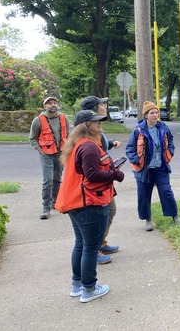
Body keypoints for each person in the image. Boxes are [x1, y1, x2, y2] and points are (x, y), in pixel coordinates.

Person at [54, 110, 125, 303]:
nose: (100, 124)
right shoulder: (89, 147)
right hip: (88, 204)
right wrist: (115, 174)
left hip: (75, 202)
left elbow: (87, 173)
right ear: (86, 125)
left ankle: (77, 285)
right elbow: (92, 175)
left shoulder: (77, 145)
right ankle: (89, 289)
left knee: (81, 244)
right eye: (96, 122)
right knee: (91, 247)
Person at [126, 101, 180, 231]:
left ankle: (174, 216)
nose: (155, 115)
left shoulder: (163, 127)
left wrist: (170, 152)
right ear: (146, 115)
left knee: (166, 192)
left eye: (156, 112)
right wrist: (136, 160)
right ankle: (148, 220)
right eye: (152, 113)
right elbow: (130, 148)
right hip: (144, 170)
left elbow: (170, 141)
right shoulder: (138, 130)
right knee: (144, 195)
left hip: (161, 168)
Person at [80, 96, 121, 265]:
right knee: (103, 214)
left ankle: (101, 244)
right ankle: (94, 249)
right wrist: (114, 174)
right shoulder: (88, 133)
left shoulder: (97, 127)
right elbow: (91, 168)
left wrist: (111, 143)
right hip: (94, 185)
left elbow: (102, 146)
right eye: (102, 104)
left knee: (110, 211)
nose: (105, 106)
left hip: (104, 181)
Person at [29, 96, 70, 220]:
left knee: (57, 179)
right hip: (46, 154)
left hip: (60, 153)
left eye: (54, 103)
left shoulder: (64, 118)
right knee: (48, 180)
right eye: (49, 103)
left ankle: (54, 202)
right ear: (44, 106)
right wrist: (41, 151)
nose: (52, 105)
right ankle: (45, 207)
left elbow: (67, 135)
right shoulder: (38, 120)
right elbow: (32, 139)